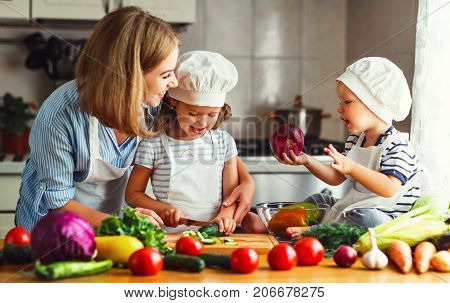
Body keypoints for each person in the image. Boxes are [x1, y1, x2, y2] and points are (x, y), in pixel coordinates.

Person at [15, 7, 255, 231]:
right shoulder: (61, 116)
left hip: (111, 227)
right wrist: (126, 223)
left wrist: (246, 182)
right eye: (165, 75)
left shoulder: (154, 103)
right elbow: (57, 204)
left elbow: (216, 146)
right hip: (51, 233)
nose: (173, 83)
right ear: (129, 75)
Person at [276, 57, 421, 239]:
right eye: (340, 102)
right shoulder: (355, 140)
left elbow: (389, 188)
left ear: (374, 104)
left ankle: (318, 231)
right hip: (354, 208)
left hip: (387, 219)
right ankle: (274, 222)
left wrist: (352, 167)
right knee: (321, 200)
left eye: (347, 102)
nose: (339, 109)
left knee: (367, 218)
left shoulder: (398, 145)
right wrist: (306, 160)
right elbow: (336, 178)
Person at [125, 51, 265, 234]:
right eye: (193, 114)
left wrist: (224, 217)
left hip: (214, 233)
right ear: (173, 100)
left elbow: (230, 197)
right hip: (168, 235)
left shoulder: (224, 142)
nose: (203, 122)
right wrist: (160, 208)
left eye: (212, 115)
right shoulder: (152, 144)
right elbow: (133, 194)